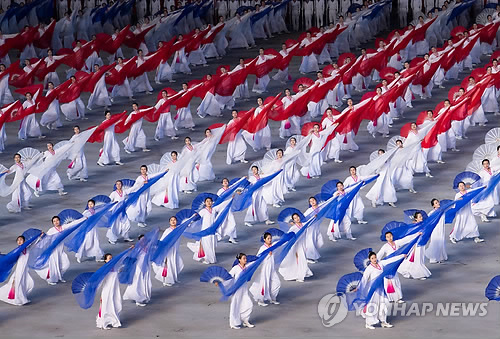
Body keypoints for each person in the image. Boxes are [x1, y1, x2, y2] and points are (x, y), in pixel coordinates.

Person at [376, 231, 422, 303]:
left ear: (392, 236)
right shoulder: (385, 246)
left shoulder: (397, 243)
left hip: (397, 263)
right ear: (386, 238)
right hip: (389, 264)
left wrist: (416, 234)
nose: (390, 238)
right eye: (388, 237)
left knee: (396, 280)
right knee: (390, 280)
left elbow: (406, 239)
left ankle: (397, 298)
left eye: (390, 236)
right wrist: (376, 263)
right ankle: (390, 297)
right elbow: (379, 255)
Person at [359, 252, 394, 330]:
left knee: (384, 304)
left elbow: (390, 260)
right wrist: (359, 288)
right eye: (372, 258)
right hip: (373, 290)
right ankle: (368, 323)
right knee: (372, 305)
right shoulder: (369, 268)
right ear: (369, 260)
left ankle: (383, 322)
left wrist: (402, 256)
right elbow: (364, 279)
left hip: (381, 288)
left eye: (375, 257)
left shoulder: (380, 264)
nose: (374, 259)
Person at [35, 216, 73, 285]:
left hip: (61, 250)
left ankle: (59, 276)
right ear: (52, 223)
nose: (56, 222)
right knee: (54, 266)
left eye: (57, 220)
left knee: (66, 264)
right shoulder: (51, 230)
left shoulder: (63, 227)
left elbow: (72, 224)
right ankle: (51, 279)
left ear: (59, 221)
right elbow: (46, 238)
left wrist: (83, 219)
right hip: (53, 250)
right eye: (54, 221)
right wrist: (42, 236)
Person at [0, 235, 37, 305]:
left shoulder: (28, 249)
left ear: (24, 241)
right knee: (18, 282)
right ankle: (18, 299)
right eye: (18, 240)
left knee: (24, 283)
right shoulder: (17, 251)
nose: (19, 241)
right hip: (19, 269)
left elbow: (34, 243)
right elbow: (9, 257)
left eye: (21, 240)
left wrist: (39, 236)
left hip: (25, 269)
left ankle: (21, 297)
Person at [187, 197, 225, 264]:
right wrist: (189, 221)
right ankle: (207, 259)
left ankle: (212, 258)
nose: (209, 202)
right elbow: (197, 217)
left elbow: (222, 205)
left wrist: (231, 199)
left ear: (212, 202)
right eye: (207, 201)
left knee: (212, 244)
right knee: (207, 244)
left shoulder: (214, 209)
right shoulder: (203, 211)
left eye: (210, 201)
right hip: (205, 230)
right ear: (205, 203)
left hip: (212, 230)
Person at [222, 253, 254, 329]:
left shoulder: (247, 267)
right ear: (239, 260)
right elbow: (228, 276)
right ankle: (233, 323)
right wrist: (220, 282)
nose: (245, 260)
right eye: (244, 258)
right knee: (235, 305)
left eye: (246, 258)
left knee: (248, 304)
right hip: (237, 290)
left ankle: (245, 320)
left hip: (244, 289)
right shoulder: (236, 268)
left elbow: (255, 263)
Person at [279, 213, 313, 282]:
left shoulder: (303, 225)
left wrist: (314, 217)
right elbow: (288, 237)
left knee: (302, 259)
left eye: (297, 217)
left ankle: (302, 272)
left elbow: (310, 222)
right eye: (295, 218)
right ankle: (300, 276)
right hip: (297, 246)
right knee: (301, 259)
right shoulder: (293, 228)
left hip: (303, 244)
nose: (297, 219)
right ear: (293, 220)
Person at [249, 232, 280, 306]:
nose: (270, 240)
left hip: (272, 268)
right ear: (264, 239)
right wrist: (268, 255)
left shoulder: (273, 247)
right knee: (264, 284)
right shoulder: (263, 248)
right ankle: (261, 300)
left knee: (277, 283)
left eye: (270, 238)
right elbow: (259, 258)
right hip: (265, 268)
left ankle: (272, 297)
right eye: (268, 238)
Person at [398, 212, 431, 280]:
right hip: (416, 244)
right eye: (419, 217)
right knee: (417, 258)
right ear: (416, 219)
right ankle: (418, 274)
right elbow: (410, 235)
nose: (421, 218)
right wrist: (417, 234)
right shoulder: (414, 226)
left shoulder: (423, 225)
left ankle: (414, 271)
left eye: (421, 216)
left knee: (420, 258)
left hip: (421, 243)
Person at [152, 216, 184, 286]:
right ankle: (166, 280)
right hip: (168, 250)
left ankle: (174, 278)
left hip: (175, 250)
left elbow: (186, 224)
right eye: (171, 220)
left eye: (174, 220)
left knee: (175, 263)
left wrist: (193, 217)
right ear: (169, 222)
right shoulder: (168, 230)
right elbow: (162, 240)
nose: (173, 221)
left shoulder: (178, 229)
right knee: (168, 264)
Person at [123, 234, 152, 307]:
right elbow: (130, 256)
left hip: (146, 267)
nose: (143, 241)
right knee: (138, 282)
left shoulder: (148, 248)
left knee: (145, 281)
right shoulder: (137, 249)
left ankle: (143, 296)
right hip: (138, 267)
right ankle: (138, 298)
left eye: (144, 240)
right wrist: (131, 249)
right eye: (142, 240)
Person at [96, 253, 122, 330]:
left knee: (115, 303)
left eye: (111, 258)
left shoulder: (115, 267)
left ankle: (114, 321)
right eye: (109, 258)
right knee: (106, 305)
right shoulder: (104, 269)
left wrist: (130, 250)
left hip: (114, 290)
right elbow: (98, 280)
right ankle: (104, 322)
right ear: (105, 260)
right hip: (107, 291)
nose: (111, 259)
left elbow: (122, 258)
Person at [107, 180, 133, 244]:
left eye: (120, 184)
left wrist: (141, 184)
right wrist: (113, 203)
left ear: (122, 185)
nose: (118, 185)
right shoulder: (114, 193)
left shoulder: (124, 192)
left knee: (127, 224)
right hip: (116, 211)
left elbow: (132, 189)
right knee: (114, 225)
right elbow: (109, 200)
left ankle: (126, 237)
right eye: (117, 184)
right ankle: (111, 239)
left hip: (123, 211)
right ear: (115, 185)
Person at [426, 198, 447, 264]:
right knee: (435, 242)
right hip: (435, 230)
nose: (438, 203)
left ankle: (439, 257)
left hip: (441, 229)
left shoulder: (442, 211)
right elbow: (427, 221)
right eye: (436, 203)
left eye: (438, 202)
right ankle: (433, 258)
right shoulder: (432, 213)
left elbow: (450, 206)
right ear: (433, 206)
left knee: (441, 241)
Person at [217, 179, 238, 244]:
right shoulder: (220, 191)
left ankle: (231, 237)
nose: (225, 182)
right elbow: (218, 200)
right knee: (221, 224)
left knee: (232, 223)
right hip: (223, 209)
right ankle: (217, 236)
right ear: (222, 183)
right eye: (224, 181)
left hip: (229, 209)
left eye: (226, 181)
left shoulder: (231, 189)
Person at [304, 196, 324, 262]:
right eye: (311, 201)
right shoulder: (309, 210)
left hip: (316, 227)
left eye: (313, 200)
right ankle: (309, 257)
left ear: (316, 200)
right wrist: (312, 216)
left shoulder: (321, 206)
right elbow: (304, 218)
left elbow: (328, 203)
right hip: (310, 228)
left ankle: (312, 255)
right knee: (311, 242)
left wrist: (335, 196)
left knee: (318, 241)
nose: (312, 202)